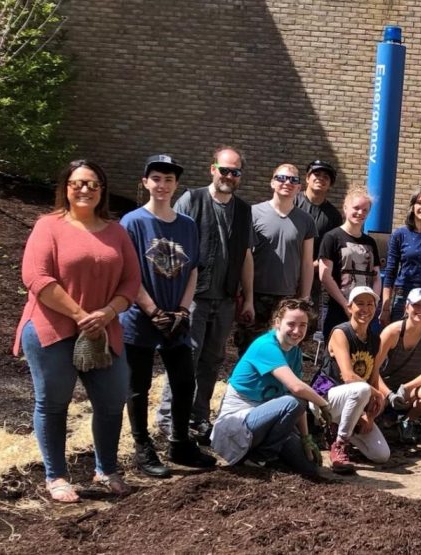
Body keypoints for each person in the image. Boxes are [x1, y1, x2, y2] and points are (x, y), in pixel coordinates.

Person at [15, 160, 141, 502]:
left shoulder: (117, 232)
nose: (85, 189)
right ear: (65, 188)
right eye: (77, 183)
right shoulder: (48, 226)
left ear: (102, 190)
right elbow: (37, 278)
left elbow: (131, 281)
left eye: (93, 184)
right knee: (53, 403)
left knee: (113, 400)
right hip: (51, 327)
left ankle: (106, 468)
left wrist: (107, 312)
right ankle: (56, 476)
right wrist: (81, 314)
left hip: (103, 329)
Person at [120, 155, 216, 478]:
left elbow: (192, 270)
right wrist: (152, 310)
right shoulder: (132, 222)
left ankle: (179, 441)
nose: (162, 185)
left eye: (169, 180)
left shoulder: (186, 225)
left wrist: (181, 310)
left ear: (176, 185)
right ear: (146, 182)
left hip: (175, 320)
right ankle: (142, 447)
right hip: (140, 318)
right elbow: (128, 272)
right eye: (156, 178)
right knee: (138, 386)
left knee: (184, 382)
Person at [157, 145, 255, 445]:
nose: (229, 176)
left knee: (212, 360)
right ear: (213, 168)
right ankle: (168, 418)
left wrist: (248, 297)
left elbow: (246, 256)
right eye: (224, 169)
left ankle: (198, 417)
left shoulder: (243, 210)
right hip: (193, 297)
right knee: (186, 356)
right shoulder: (191, 199)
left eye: (235, 172)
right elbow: (170, 244)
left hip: (225, 298)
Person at [211, 299, 330, 476]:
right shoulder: (266, 345)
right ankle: (261, 457)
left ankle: (268, 456)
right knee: (293, 402)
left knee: (310, 469)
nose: (297, 331)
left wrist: (306, 438)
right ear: (277, 323)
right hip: (237, 425)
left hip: (266, 421)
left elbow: (298, 396)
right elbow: (297, 390)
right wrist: (324, 404)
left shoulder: (295, 352)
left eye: (303, 325)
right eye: (291, 324)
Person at [236, 163, 317, 355]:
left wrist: (304, 299)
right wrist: (246, 297)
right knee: (250, 350)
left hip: (287, 299)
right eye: (281, 178)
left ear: (299, 187)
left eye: (293, 180)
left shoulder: (306, 221)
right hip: (255, 295)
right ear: (272, 183)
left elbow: (307, 262)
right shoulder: (253, 213)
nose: (287, 183)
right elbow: (244, 256)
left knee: (282, 352)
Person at [317, 286, 390, 473]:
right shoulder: (341, 333)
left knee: (381, 455)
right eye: (359, 304)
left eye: (370, 304)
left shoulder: (375, 340)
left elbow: (374, 380)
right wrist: (377, 395)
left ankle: (339, 429)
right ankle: (339, 444)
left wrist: (370, 415)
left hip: (355, 402)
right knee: (362, 389)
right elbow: (348, 376)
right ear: (350, 307)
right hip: (325, 397)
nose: (365, 309)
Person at [372, 288, 421, 445]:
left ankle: (408, 420)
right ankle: (381, 419)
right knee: (376, 403)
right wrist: (389, 394)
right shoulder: (392, 332)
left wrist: (406, 388)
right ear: (407, 307)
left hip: (412, 387)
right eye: (416, 305)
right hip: (386, 386)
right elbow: (373, 369)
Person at [318, 186, 382, 339]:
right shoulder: (331, 238)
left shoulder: (370, 242)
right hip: (337, 309)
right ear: (345, 208)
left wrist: (373, 303)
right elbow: (325, 276)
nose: (360, 213)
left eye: (365, 210)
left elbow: (377, 277)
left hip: (364, 312)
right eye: (356, 208)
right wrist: (346, 305)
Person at [379, 187, 421, 328]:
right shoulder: (400, 234)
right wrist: (385, 308)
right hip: (404, 296)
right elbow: (390, 273)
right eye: (419, 203)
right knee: (398, 342)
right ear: (412, 207)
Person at [294, 159, 343, 327]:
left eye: (326, 177)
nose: (320, 178)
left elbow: (330, 252)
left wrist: (309, 267)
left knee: (303, 325)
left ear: (330, 184)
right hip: (283, 275)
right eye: (316, 174)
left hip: (312, 279)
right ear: (307, 178)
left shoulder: (333, 216)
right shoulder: (293, 202)